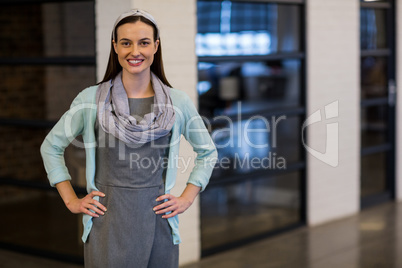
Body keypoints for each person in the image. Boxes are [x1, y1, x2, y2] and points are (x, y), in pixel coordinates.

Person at [40, 9, 217, 267]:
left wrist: (186, 197)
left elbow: (208, 152)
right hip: (108, 224)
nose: (135, 51)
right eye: (126, 43)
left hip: (159, 223)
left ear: (156, 46)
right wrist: (71, 199)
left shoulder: (177, 102)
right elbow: (51, 147)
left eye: (144, 42)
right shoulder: (91, 100)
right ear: (115, 46)